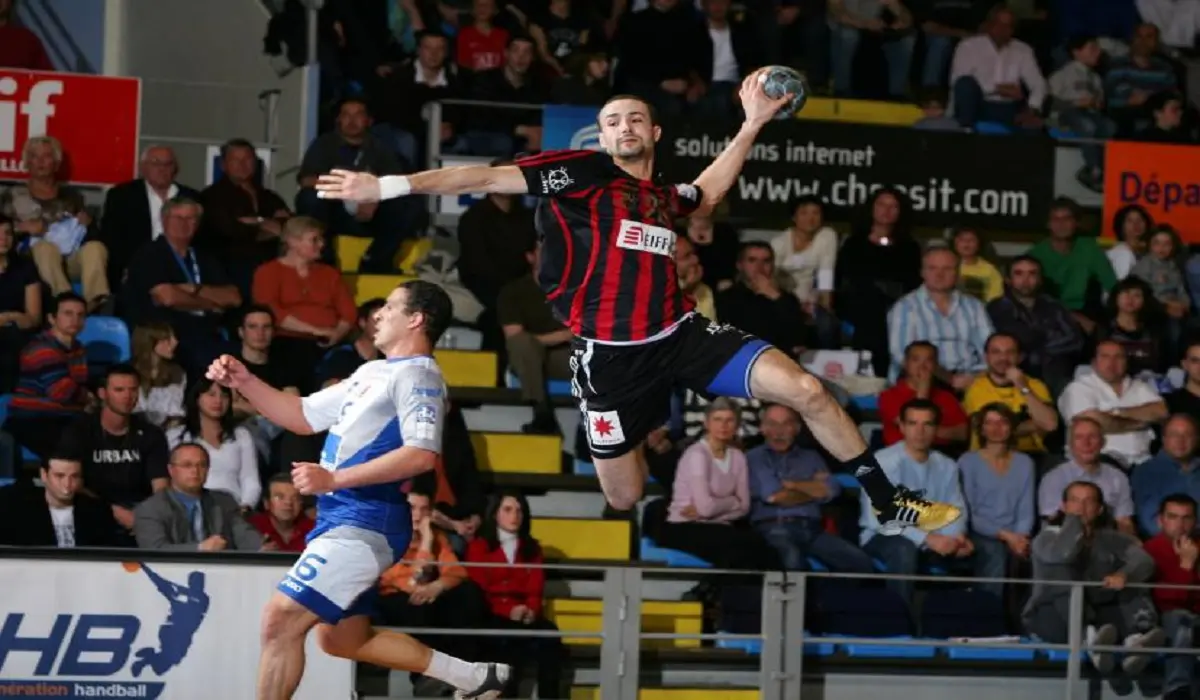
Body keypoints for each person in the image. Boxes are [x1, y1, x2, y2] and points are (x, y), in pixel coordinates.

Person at [313, 69, 960, 533]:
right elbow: (481, 175)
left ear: (653, 131)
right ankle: (650, 444)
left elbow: (703, 193)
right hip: (612, 363)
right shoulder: (581, 174)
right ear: (601, 137)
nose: (621, 127)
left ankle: (886, 498)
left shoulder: (659, 199)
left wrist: (753, 122)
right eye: (610, 121)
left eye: (632, 119)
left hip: (682, 335)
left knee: (813, 392)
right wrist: (387, 183)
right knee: (622, 499)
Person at [204, 280, 508, 700]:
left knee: (280, 620)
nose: (378, 315)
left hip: (367, 518)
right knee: (342, 640)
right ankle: (475, 678)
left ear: (416, 319)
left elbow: (421, 455)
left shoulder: (420, 375)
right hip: (340, 517)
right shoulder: (372, 371)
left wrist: (334, 480)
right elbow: (303, 415)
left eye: (389, 307)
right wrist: (246, 381)